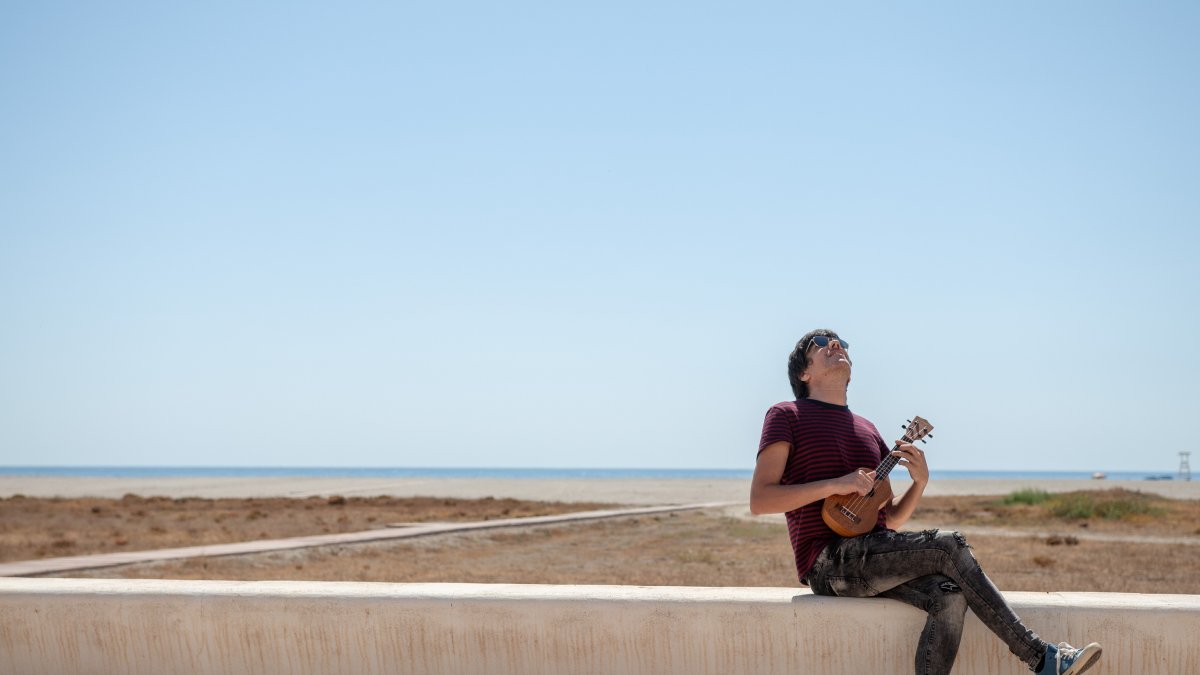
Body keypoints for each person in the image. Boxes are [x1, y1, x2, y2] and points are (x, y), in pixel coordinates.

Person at [749, 329, 1103, 675]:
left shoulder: (868, 429)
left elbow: (889, 521)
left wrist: (919, 483)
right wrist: (836, 484)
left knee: (949, 594)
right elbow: (761, 499)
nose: (835, 344)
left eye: (840, 341)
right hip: (827, 562)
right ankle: (1042, 658)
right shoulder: (786, 415)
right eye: (821, 343)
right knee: (949, 544)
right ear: (803, 372)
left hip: (873, 554)